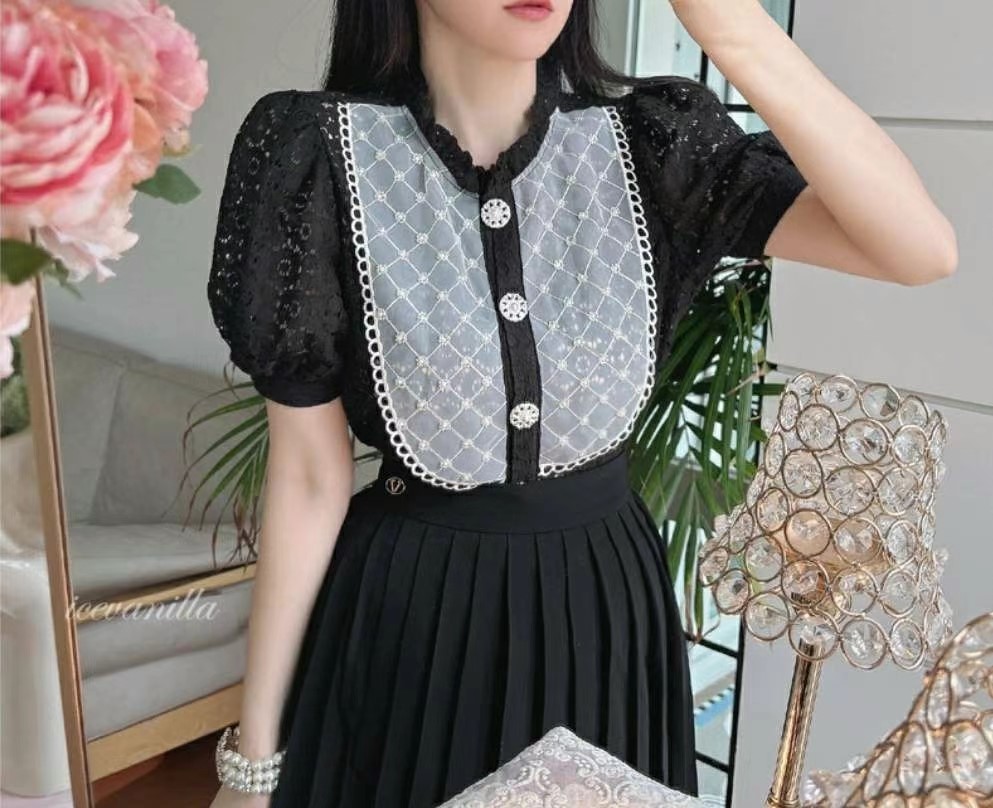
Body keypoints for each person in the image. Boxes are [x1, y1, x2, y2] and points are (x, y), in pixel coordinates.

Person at [206, 0, 957, 806]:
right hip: (409, 625)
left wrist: (731, 28)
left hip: (603, 617)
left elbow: (918, 249)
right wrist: (255, 763)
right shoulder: (316, 152)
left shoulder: (651, 146)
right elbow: (308, 478)